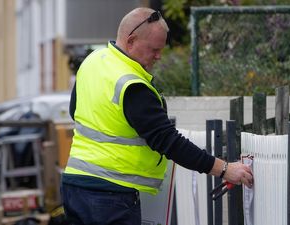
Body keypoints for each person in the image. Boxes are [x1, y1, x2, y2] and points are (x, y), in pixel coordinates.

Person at [61, 7, 253, 225]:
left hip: (74, 187)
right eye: (154, 49)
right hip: (110, 196)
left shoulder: (93, 61)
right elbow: (168, 141)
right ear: (131, 41)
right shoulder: (132, 85)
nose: (159, 56)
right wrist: (225, 169)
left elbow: (75, 111)